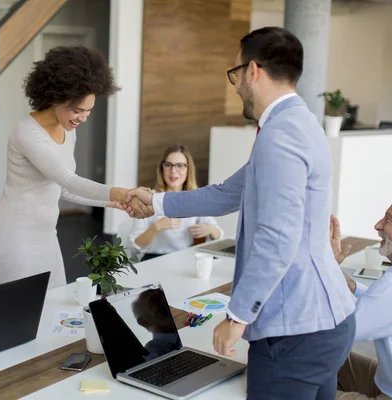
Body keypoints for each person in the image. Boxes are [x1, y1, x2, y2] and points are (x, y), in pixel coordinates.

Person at [127, 27, 356, 399]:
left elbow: (277, 239)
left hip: (294, 333)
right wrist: (154, 202)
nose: (235, 87)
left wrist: (237, 317)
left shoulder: (280, 136)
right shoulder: (300, 124)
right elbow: (227, 193)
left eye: (234, 75)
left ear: (253, 71)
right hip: (326, 323)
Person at [0, 46, 138, 290]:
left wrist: (110, 203)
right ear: (56, 97)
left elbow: (62, 190)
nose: (83, 118)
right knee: (20, 317)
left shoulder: (68, 132)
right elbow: (67, 178)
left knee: (54, 312)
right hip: (13, 239)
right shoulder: (27, 133)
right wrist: (120, 192)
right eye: (77, 110)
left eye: (88, 111)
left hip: (46, 238)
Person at [330, 209, 392, 400]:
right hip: (386, 382)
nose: (378, 226)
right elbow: (380, 306)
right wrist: (347, 282)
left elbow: (338, 330)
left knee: (283, 388)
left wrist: (320, 268)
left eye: (389, 220)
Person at [129, 144, 224, 261]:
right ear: (162, 168)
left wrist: (210, 229)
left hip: (184, 258)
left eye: (180, 165)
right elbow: (135, 247)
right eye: (168, 165)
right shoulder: (147, 199)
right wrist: (156, 226)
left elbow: (219, 235)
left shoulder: (195, 198)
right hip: (153, 260)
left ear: (188, 170)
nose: (173, 171)